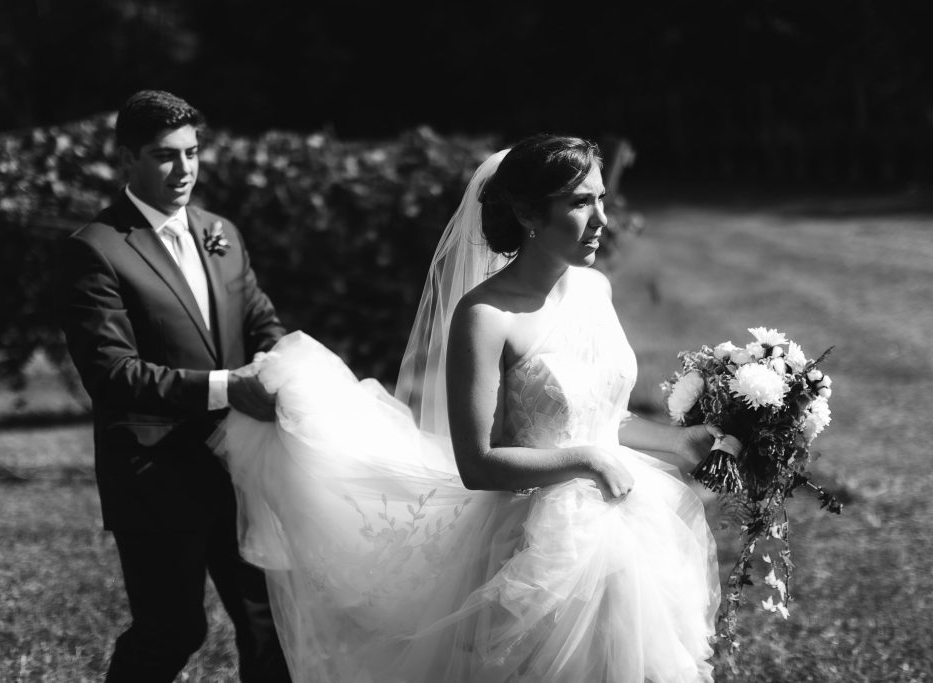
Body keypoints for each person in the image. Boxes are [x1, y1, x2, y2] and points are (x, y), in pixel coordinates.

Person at [218, 135, 721, 682]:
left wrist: (680, 443)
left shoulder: (594, 288)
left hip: (625, 527)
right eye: (580, 202)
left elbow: (600, 416)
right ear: (529, 213)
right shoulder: (486, 316)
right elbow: (477, 461)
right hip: (538, 546)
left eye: (600, 198)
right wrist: (587, 462)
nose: (601, 218)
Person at [58, 90, 291, 682]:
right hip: (157, 476)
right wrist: (225, 387)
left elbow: (261, 322)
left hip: (242, 467)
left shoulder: (222, 233)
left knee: (270, 627)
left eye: (192, 152)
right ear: (127, 158)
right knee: (174, 629)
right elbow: (111, 372)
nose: (184, 170)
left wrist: (283, 368)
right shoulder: (96, 249)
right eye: (165, 156)